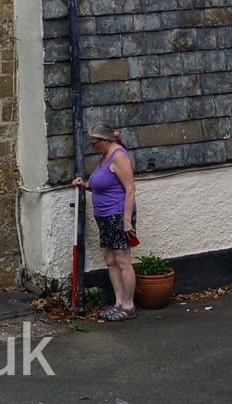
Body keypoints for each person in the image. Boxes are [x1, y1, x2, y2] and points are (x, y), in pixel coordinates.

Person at [72, 121, 136, 320]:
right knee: (110, 260)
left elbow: (130, 189)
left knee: (122, 260)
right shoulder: (104, 157)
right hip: (104, 217)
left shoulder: (118, 156)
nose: (93, 147)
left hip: (117, 216)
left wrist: (127, 222)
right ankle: (118, 302)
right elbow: (102, 185)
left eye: (94, 143)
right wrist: (85, 185)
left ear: (106, 140)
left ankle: (129, 306)